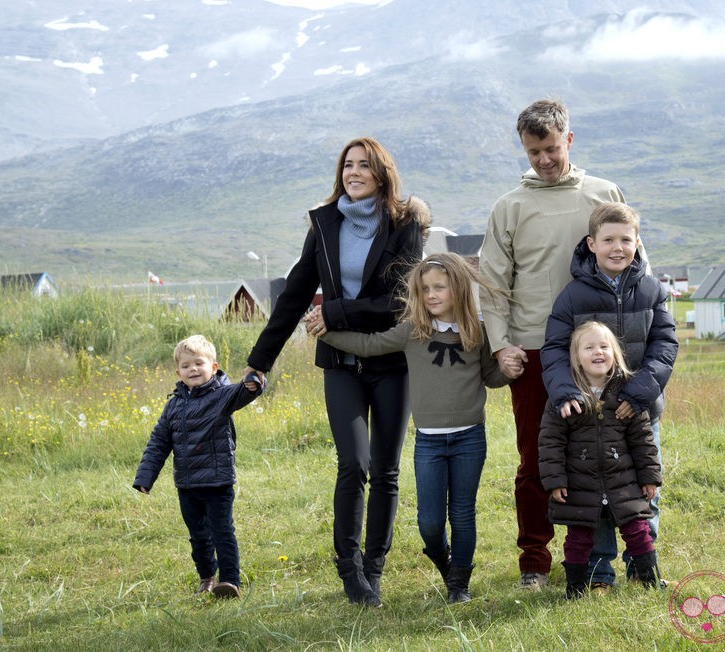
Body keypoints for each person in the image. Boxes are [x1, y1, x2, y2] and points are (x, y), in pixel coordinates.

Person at [244, 137, 430, 607]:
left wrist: (338, 313)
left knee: (386, 470)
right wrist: (259, 361)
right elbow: (295, 294)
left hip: (391, 365)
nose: (353, 172)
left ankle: (374, 569)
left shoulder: (405, 224)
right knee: (354, 464)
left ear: (382, 172)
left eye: (364, 165)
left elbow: (400, 301)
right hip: (341, 366)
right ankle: (348, 570)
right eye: (347, 165)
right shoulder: (324, 223)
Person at [478, 98, 645, 589]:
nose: (544, 160)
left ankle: (622, 555)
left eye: (551, 148)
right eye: (533, 152)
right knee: (537, 458)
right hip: (531, 351)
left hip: (598, 353)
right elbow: (493, 284)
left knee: (615, 453)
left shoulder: (602, 192)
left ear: (568, 140)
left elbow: (635, 263)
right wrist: (499, 346)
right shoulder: (510, 207)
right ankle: (534, 561)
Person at [321, 252, 514, 603]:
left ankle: (459, 584)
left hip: (470, 436)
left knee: (463, 513)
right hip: (428, 443)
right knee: (429, 522)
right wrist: (328, 333)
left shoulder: (477, 331)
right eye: (425, 289)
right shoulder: (413, 331)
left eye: (439, 287)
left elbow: (491, 375)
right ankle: (443, 557)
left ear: (458, 287)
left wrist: (510, 370)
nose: (431, 295)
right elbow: (370, 345)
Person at [541, 201, 677, 589]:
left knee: (643, 489)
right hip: (587, 417)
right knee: (591, 498)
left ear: (637, 242)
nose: (618, 248)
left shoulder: (652, 291)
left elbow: (664, 345)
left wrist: (637, 395)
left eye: (626, 239)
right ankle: (599, 571)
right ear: (592, 243)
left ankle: (642, 566)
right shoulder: (572, 297)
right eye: (608, 240)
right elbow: (553, 348)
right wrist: (566, 390)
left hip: (637, 412)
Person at [133, 334, 265, 599]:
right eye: (186, 366)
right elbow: (159, 442)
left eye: (199, 363)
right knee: (199, 537)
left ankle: (229, 581)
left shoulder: (223, 395)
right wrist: (145, 477)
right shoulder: (173, 406)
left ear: (213, 367)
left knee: (222, 532)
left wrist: (253, 384)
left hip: (218, 482)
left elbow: (245, 391)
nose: (192, 369)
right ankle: (207, 577)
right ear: (178, 372)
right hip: (187, 484)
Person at [538, 321, 662, 598]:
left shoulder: (627, 394)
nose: (598, 352)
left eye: (605, 346)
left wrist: (650, 476)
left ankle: (649, 579)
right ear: (576, 357)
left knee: (638, 530)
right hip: (579, 483)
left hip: (624, 480)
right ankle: (576, 588)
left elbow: (643, 439)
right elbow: (550, 443)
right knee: (579, 537)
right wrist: (555, 480)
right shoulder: (565, 397)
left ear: (615, 354)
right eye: (589, 347)